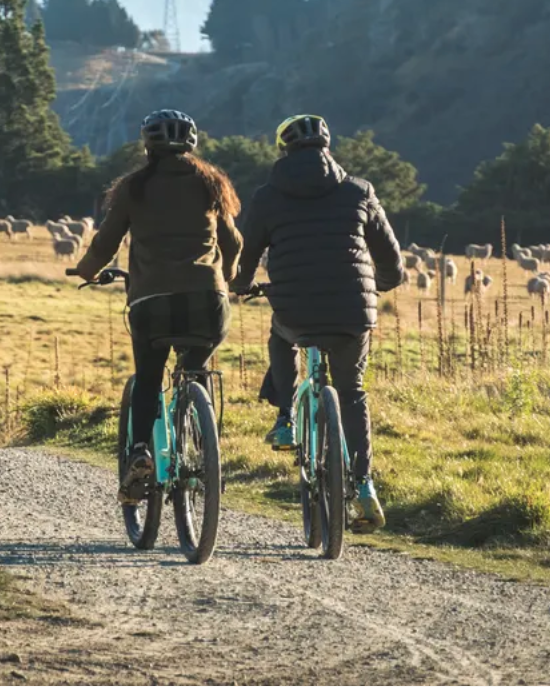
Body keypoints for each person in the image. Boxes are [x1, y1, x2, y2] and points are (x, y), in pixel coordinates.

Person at [230, 114, 404, 531]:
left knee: (281, 336)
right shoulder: (359, 190)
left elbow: (248, 255)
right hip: (352, 310)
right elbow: (393, 264)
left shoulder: (268, 196)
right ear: (328, 147)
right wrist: (375, 286)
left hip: (295, 307)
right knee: (353, 393)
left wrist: (241, 284)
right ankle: (364, 487)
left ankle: (287, 417)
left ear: (284, 150)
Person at [71, 109, 243, 502]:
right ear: (192, 145)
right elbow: (234, 243)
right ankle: (200, 438)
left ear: (147, 145)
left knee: (148, 377)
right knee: (195, 367)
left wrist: (86, 270)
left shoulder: (134, 187)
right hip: (207, 301)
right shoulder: (212, 183)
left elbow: (106, 242)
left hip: (152, 301)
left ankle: (141, 454)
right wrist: (228, 275)